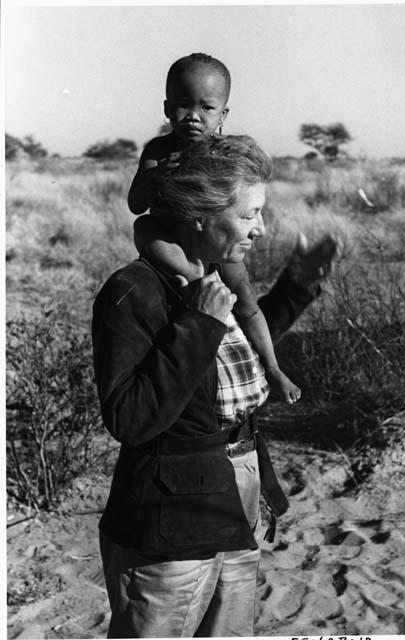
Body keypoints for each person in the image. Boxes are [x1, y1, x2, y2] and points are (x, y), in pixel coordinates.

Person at [93, 134, 334, 638]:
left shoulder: (207, 280)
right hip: (170, 517)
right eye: (249, 215)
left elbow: (227, 353)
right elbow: (129, 418)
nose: (261, 230)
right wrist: (197, 325)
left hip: (235, 492)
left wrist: (295, 288)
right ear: (200, 215)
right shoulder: (134, 290)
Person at [128, 52, 305, 405]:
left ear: (223, 115)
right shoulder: (158, 151)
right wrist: (157, 175)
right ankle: (196, 280)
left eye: (206, 108)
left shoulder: (223, 153)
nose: (193, 116)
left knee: (248, 303)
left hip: (217, 244)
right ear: (166, 107)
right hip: (174, 242)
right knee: (144, 228)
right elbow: (136, 205)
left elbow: (241, 200)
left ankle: (272, 367)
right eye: (182, 105)